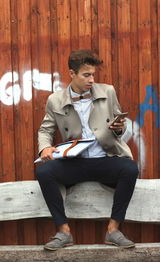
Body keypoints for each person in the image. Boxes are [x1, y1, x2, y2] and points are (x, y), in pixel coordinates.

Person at [36, 49, 139, 251]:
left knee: (130, 169)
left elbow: (120, 123)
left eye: (93, 74)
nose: (92, 79)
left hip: (105, 158)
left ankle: (113, 230)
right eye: (86, 75)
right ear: (71, 74)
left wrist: (121, 127)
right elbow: (45, 130)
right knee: (44, 171)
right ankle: (63, 232)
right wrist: (45, 148)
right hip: (75, 161)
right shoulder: (55, 100)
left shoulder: (108, 92)